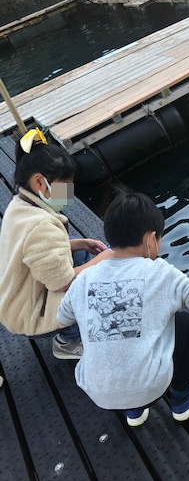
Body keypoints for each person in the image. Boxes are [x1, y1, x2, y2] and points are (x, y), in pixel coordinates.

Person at [57, 191, 189, 426]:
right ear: (151, 240)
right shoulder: (160, 273)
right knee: (182, 322)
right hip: (150, 386)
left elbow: (63, 317)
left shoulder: (85, 279)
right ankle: (183, 399)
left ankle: (134, 412)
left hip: (95, 389)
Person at [0, 128, 113, 358]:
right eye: (65, 186)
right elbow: (63, 283)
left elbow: (31, 250)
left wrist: (79, 243)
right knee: (91, 286)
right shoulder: (40, 225)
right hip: (27, 315)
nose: (69, 194)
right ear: (40, 182)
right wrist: (103, 259)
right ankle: (68, 342)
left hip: (16, 298)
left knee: (80, 258)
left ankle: (69, 331)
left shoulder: (19, 204)